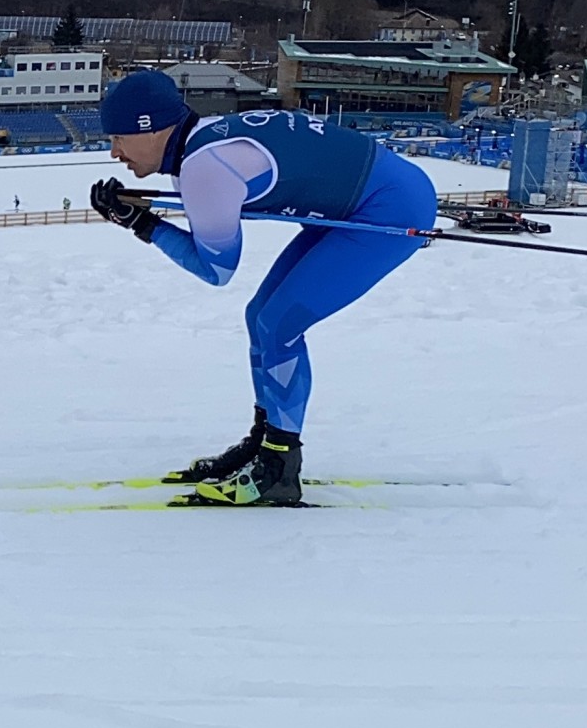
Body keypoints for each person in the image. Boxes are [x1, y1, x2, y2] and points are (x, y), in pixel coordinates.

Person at [88, 70, 437, 506]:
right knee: (262, 317)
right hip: (381, 192)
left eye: (119, 137)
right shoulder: (200, 144)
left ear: (153, 128)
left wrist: (142, 225)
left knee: (279, 324)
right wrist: (143, 216)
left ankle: (279, 468)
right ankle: (265, 443)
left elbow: (216, 269)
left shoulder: (203, 167)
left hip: (389, 209)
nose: (113, 152)